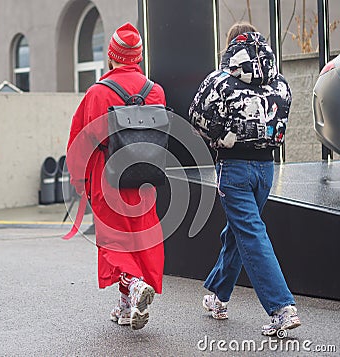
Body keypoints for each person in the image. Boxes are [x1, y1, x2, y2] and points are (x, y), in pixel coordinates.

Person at [189, 22, 301, 336]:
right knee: (240, 231)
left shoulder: (219, 80)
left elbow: (196, 117)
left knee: (250, 233)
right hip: (266, 170)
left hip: (234, 169)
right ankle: (219, 298)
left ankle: (282, 307)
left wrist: (220, 137)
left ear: (231, 48)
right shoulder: (278, 81)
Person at [66, 23, 166, 330]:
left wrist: (79, 181)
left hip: (107, 179)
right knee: (139, 239)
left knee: (114, 242)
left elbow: (80, 141)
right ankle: (124, 307)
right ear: (137, 57)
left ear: (112, 57)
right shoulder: (156, 91)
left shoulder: (97, 93)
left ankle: (134, 286)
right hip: (145, 179)